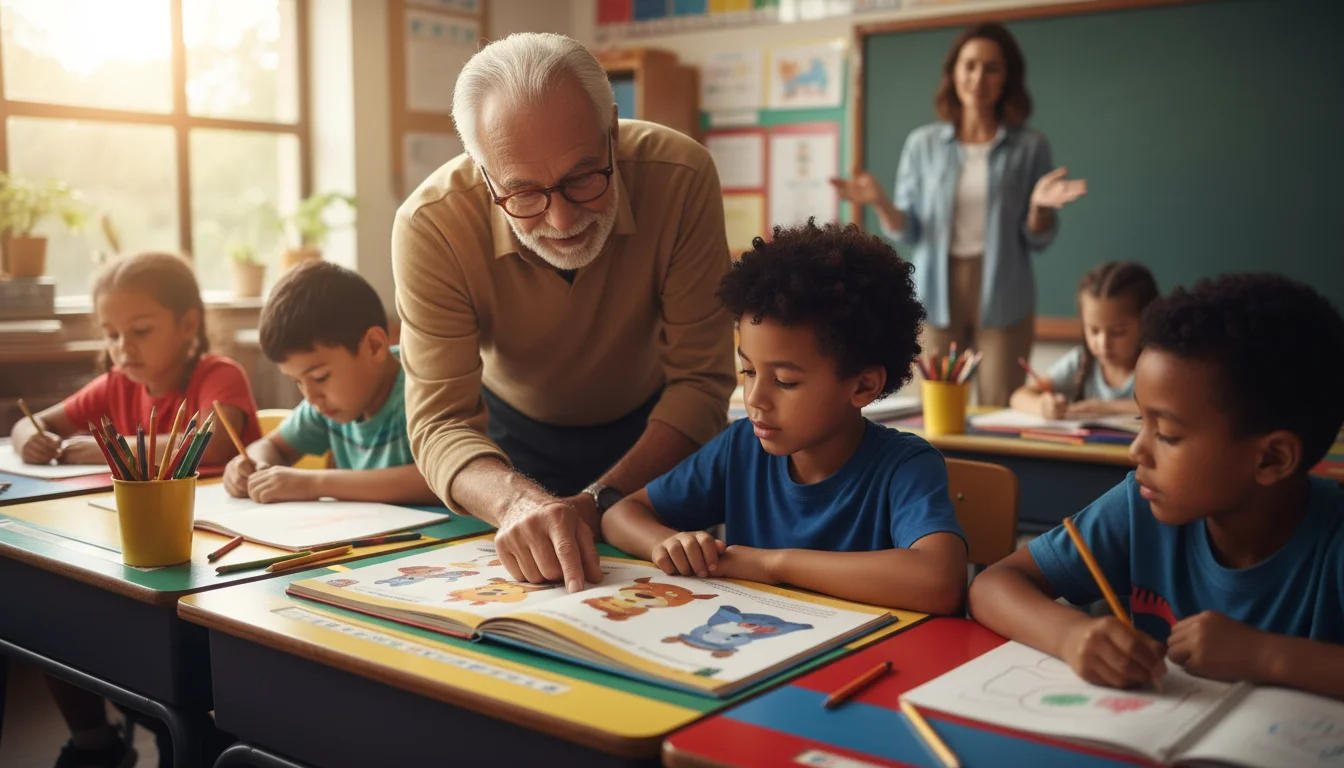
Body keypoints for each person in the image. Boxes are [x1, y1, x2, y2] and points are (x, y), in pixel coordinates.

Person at [392, 33, 736, 594]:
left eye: (583, 178)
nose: (560, 220)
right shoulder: (431, 224)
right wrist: (514, 501)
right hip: (508, 453)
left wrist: (599, 500)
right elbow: (440, 423)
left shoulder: (681, 177)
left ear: (613, 132)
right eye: (523, 194)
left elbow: (701, 381)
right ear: (484, 176)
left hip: (658, 436)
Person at [969, 274, 1344, 698]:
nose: (1136, 451)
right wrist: (1072, 636)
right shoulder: (1140, 505)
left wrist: (1266, 656)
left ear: (1272, 458)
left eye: (1165, 434)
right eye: (1139, 422)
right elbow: (991, 586)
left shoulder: (1334, 540)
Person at [602, 221, 967, 613]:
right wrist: (666, 544)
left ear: (862, 386)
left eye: (785, 381)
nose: (755, 398)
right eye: (749, 372)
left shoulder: (905, 466)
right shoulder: (741, 447)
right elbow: (620, 514)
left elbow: (939, 581)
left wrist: (772, 564)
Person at [8, 251, 260, 768]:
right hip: (125, 553)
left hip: (210, 564)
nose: (123, 348)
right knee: (45, 609)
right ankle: (94, 745)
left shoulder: (219, 372)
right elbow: (31, 426)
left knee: (140, 656)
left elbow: (212, 442)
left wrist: (112, 444)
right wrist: (28, 434)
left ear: (188, 323)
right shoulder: (116, 385)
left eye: (140, 330)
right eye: (112, 333)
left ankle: (171, 732)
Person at [831, 21, 1087, 406]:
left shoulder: (1030, 146)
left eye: (991, 67)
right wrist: (879, 201)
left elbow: (1037, 236)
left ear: (1007, 78)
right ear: (952, 74)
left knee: (1000, 404)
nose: (978, 77)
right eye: (969, 65)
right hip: (936, 286)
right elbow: (911, 230)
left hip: (1004, 286)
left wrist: (1038, 209)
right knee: (936, 406)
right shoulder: (923, 144)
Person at [223, 261, 438, 504]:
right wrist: (250, 467)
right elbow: (273, 447)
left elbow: (439, 478)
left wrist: (315, 483)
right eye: (297, 382)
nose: (311, 397)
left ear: (374, 346)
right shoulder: (328, 407)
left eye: (320, 377)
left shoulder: (426, 387)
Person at [1010, 261, 1158, 419]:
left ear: (1146, 322)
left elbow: (1167, 408)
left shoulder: (1157, 366)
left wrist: (1105, 407)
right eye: (1094, 330)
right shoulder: (1082, 361)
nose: (1103, 344)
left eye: (1118, 332)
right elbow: (1018, 397)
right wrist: (1043, 406)